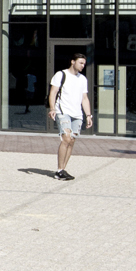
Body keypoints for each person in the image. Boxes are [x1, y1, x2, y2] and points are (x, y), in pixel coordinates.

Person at [47, 51, 92, 180]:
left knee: (71, 141)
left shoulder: (82, 79)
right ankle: (59, 170)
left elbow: (84, 98)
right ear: (73, 62)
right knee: (66, 138)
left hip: (77, 114)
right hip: (63, 111)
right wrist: (52, 108)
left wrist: (88, 115)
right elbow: (53, 93)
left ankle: (62, 170)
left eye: (84, 63)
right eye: (80, 63)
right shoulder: (61, 75)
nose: (83, 65)